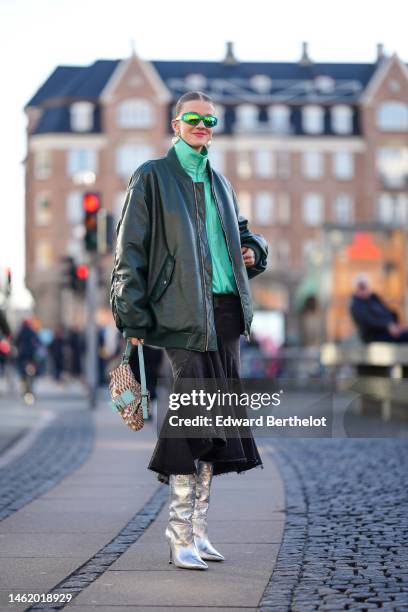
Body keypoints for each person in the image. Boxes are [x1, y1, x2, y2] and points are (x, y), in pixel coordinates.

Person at [111, 91, 268, 570]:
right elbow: (130, 250)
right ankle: (178, 532)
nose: (203, 125)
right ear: (176, 124)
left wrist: (254, 250)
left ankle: (198, 531)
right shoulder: (152, 177)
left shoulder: (220, 182)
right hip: (179, 316)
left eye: (210, 119)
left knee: (213, 424)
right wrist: (132, 317)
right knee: (194, 418)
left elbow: (241, 232)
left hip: (224, 315)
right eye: (193, 118)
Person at [350, 275, 408, 343]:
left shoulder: (373, 298)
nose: (363, 290)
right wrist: (387, 326)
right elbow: (369, 321)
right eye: (361, 288)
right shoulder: (356, 305)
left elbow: (387, 311)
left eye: (364, 287)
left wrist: (394, 324)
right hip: (374, 335)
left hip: (388, 331)